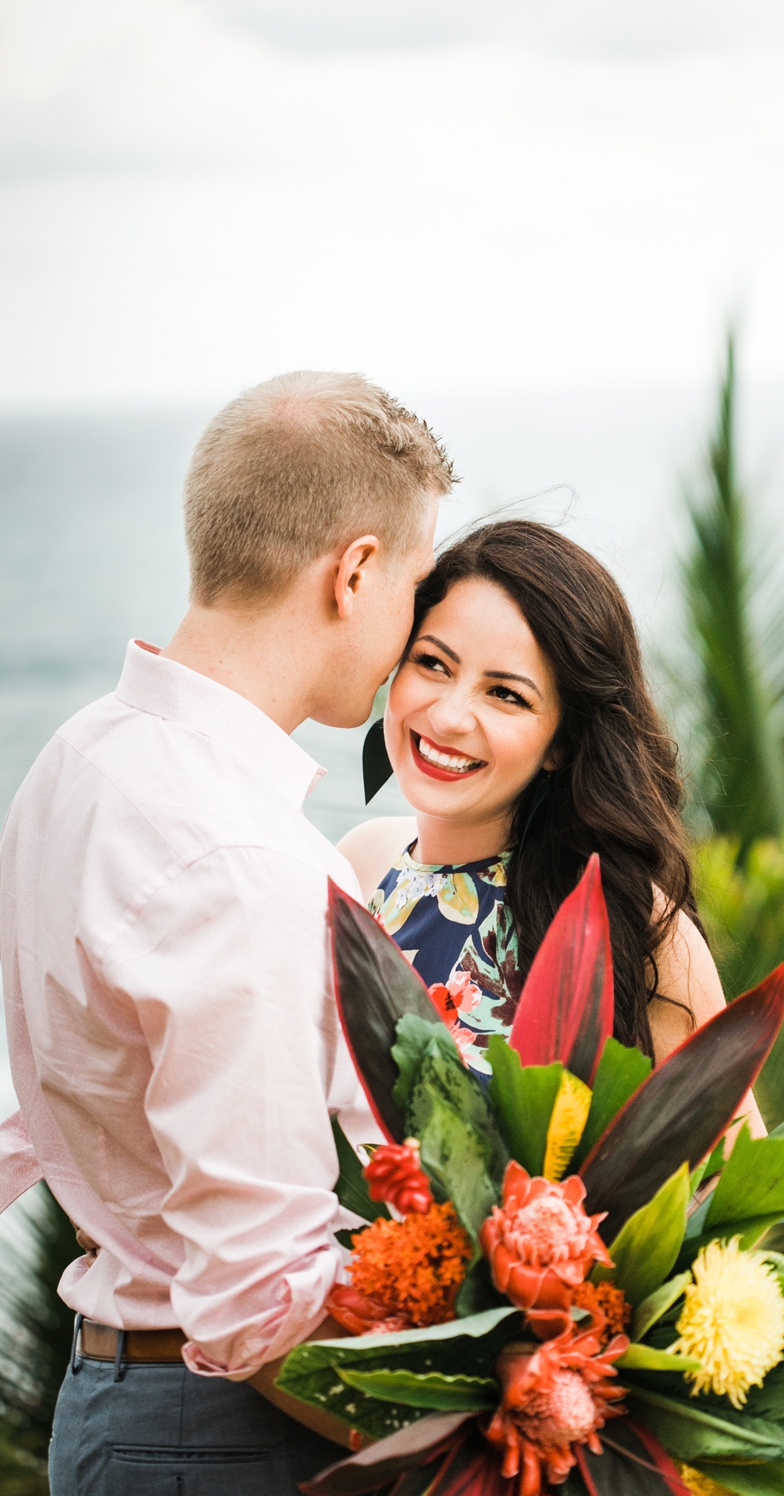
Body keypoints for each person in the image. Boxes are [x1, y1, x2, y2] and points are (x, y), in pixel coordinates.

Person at [0, 371, 452, 1492]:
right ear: (354, 572)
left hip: (119, 1400)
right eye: (411, 583)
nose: (409, 633)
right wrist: (478, 1447)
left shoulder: (77, 758)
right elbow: (259, 1299)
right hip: (215, 1433)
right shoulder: (243, 861)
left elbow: (28, 1091)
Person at [339, 520, 765, 1124]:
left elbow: (733, 1189)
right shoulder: (356, 864)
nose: (451, 715)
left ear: (562, 742)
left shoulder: (629, 922)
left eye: (506, 695)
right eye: (433, 663)